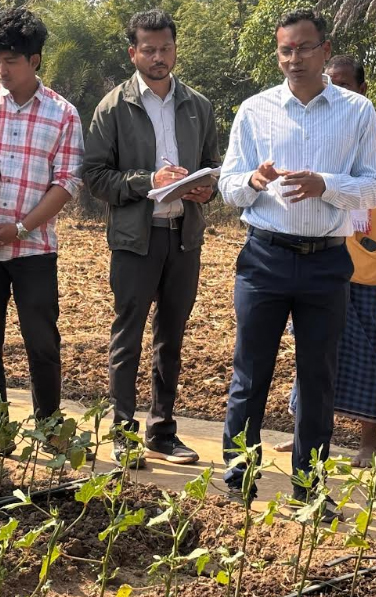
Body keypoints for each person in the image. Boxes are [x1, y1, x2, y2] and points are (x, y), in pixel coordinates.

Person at [218, 8, 376, 507]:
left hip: (326, 263)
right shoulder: (254, 110)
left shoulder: (357, 111)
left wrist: (326, 185)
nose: (294, 59)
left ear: (325, 50)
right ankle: (238, 478)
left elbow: (375, 186)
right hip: (264, 258)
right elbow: (227, 184)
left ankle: (310, 489)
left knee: (318, 379)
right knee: (250, 372)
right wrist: (252, 181)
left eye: (304, 48)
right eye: (285, 50)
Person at [82, 9, 221, 468]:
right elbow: (96, 177)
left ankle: (162, 432)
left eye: (165, 49)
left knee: (172, 338)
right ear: (133, 53)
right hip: (134, 240)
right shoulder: (112, 107)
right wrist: (147, 180)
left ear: (175, 49)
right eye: (149, 50)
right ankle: (123, 435)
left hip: (184, 236)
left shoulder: (198, 105)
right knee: (128, 338)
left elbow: (213, 166)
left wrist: (207, 189)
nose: (158, 58)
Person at [0, 8, 83, 439]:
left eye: (12, 60)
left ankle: (47, 425)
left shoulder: (62, 114)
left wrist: (21, 228)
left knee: (41, 342)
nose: (1, 69)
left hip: (33, 250)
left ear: (35, 60)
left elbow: (67, 183)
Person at [275, 56, 376, 468]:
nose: (338, 90)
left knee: (366, 349)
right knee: (311, 347)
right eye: (331, 82)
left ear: (363, 91)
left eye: (346, 84)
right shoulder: (316, 135)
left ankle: (367, 443)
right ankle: (305, 431)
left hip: (364, 268)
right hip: (316, 260)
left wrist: (370, 240)